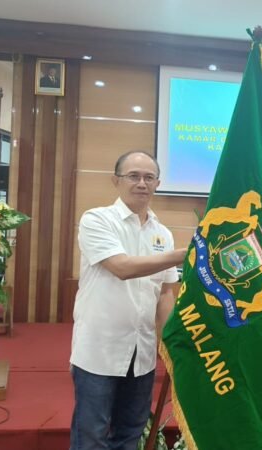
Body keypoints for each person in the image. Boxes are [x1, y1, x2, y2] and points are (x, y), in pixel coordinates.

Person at [70, 151, 186, 450]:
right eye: (133, 176)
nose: (141, 183)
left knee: (130, 433)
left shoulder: (162, 233)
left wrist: (169, 342)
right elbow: (122, 268)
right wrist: (185, 255)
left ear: (158, 183)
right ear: (116, 181)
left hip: (142, 353)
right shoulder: (97, 219)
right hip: (100, 349)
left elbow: (165, 294)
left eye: (149, 177)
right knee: (91, 434)